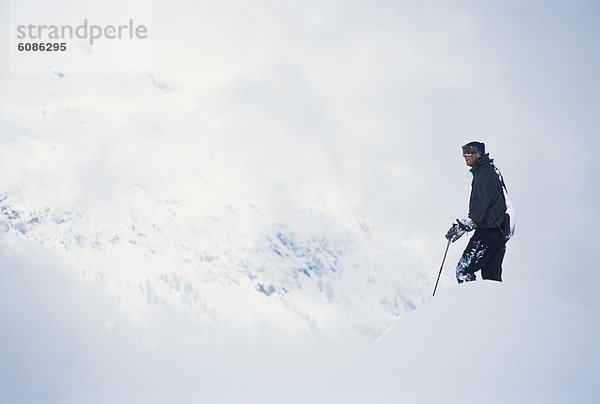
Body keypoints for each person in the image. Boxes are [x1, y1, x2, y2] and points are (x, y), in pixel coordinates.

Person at [445, 141, 514, 283]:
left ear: (479, 153)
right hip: (500, 232)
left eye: (469, 151)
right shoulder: (491, 170)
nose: (465, 155)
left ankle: (473, 304)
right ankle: (493, 304)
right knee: (491, 276)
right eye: (464, 151)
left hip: (489, 231)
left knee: (463, 270)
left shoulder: (483, 174)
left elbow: (478, 209)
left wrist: (462, 226)